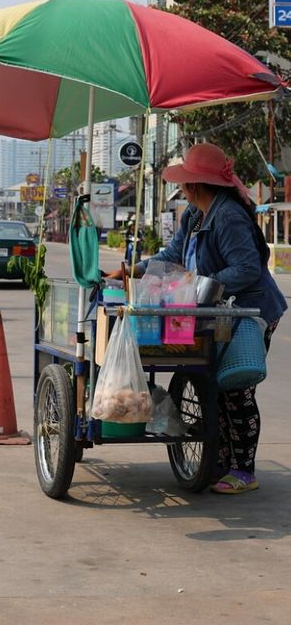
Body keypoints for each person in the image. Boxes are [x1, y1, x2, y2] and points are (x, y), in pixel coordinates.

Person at [108, 143, 287, 494]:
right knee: (213, 387)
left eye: (186, 183)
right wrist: (133, 271)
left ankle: (244, 471)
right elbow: (173, 255)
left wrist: (199, 285)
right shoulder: (194, 216)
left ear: (196, 185)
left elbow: (248, 268)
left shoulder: (229, 216)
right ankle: (218, 461)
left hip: (250, 310)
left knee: (236, 388)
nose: (184, 189)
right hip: (215, 310)